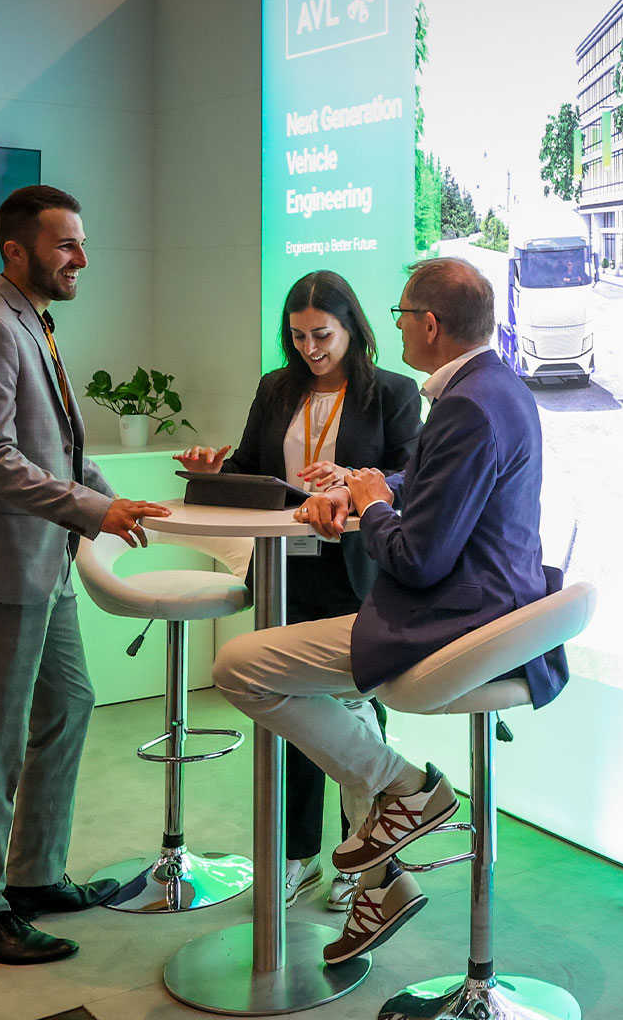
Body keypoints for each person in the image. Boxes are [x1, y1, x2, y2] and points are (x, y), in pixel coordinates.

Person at [210, 257, 568, 965]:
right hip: (488, 609)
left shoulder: (459, 403)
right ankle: (379, 880)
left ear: (428, 324)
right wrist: (376, 486)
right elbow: (434, 481)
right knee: (334, 706)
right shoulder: (495, 389)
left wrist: (371, 503)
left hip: (448, 619)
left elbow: (417, 560)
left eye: (403, 313)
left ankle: (403, 787)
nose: (398, 324)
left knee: (238, 668)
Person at [0, 184, 170, 965]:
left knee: (68, 704)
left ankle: (32, 876)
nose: (82, 259)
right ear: (17, 250)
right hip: (2, 564)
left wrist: (107, 497)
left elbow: (54, 445)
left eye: (80, 242)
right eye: (66, 245)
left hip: (46, 557)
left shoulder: (32, 322)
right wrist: (87, 512)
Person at [174, 270, 422, 912]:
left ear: (352, 330)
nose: (311, 348)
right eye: (298, 335)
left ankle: (363, 857)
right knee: (295, 714)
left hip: (359, 570)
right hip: (287, 566)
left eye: (323, 335)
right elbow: (255, 471)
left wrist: (353, 478)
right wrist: (214, 471)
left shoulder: (393, 392)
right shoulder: (276, 389)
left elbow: (409, 476)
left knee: (356, 712)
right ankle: (297, 856)